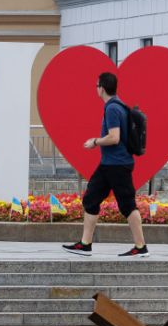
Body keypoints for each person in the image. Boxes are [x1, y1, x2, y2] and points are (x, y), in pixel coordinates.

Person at [63, 72, 149, 257]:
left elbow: (114, 137)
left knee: (127, 205)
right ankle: (85, 244)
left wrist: (95, 141)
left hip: (118, 165)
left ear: (101, 88)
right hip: (109, 165)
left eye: (96, 86)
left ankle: (141, 247)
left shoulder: (112, 109)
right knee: (91, 199)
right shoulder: (119, 105)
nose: (96, 89)